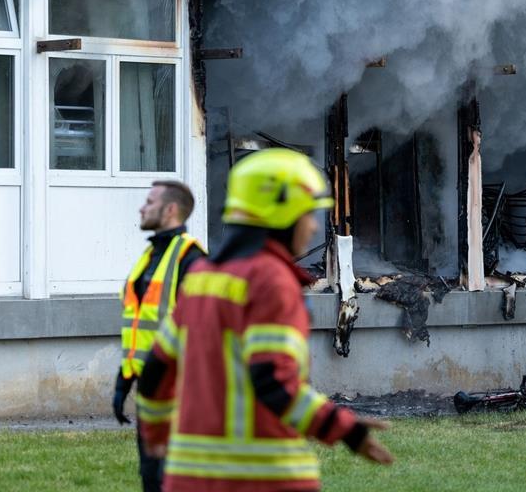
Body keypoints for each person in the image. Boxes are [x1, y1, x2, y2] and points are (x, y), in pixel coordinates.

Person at [136, 148, 393, 492]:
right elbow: (271, 380)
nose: (314, 224)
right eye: (309, 213)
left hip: (187, 479)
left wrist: (155, 437)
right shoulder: (270, 281)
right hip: (264, 480)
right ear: (282, 212)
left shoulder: (201, 279)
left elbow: (155, 371)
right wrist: (341, 426)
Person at [114, 180, 206, 492]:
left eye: (149, 202)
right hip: (150, 390)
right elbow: (139, 325)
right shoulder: (149, 258)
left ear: (170, 210)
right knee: (151, 478)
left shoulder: (192, 261)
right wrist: (123, 379)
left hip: (180, 392)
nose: (142, 207)